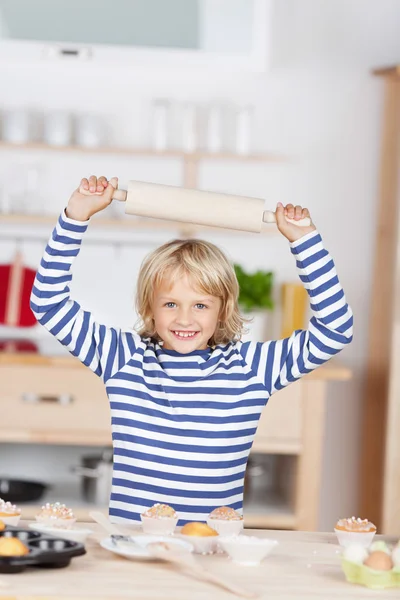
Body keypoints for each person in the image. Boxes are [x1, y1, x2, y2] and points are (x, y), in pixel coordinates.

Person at [30, 175, 353, 525]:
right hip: (130, 547)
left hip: (212, 549)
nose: (185, 318)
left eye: (200, 305)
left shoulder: (252, 368)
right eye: (170, 303)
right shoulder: (123, 358)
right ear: (149, 307)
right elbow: (47, 303)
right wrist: (75, 217)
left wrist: (304, 241)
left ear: (223, 308)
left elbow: (336, 329)